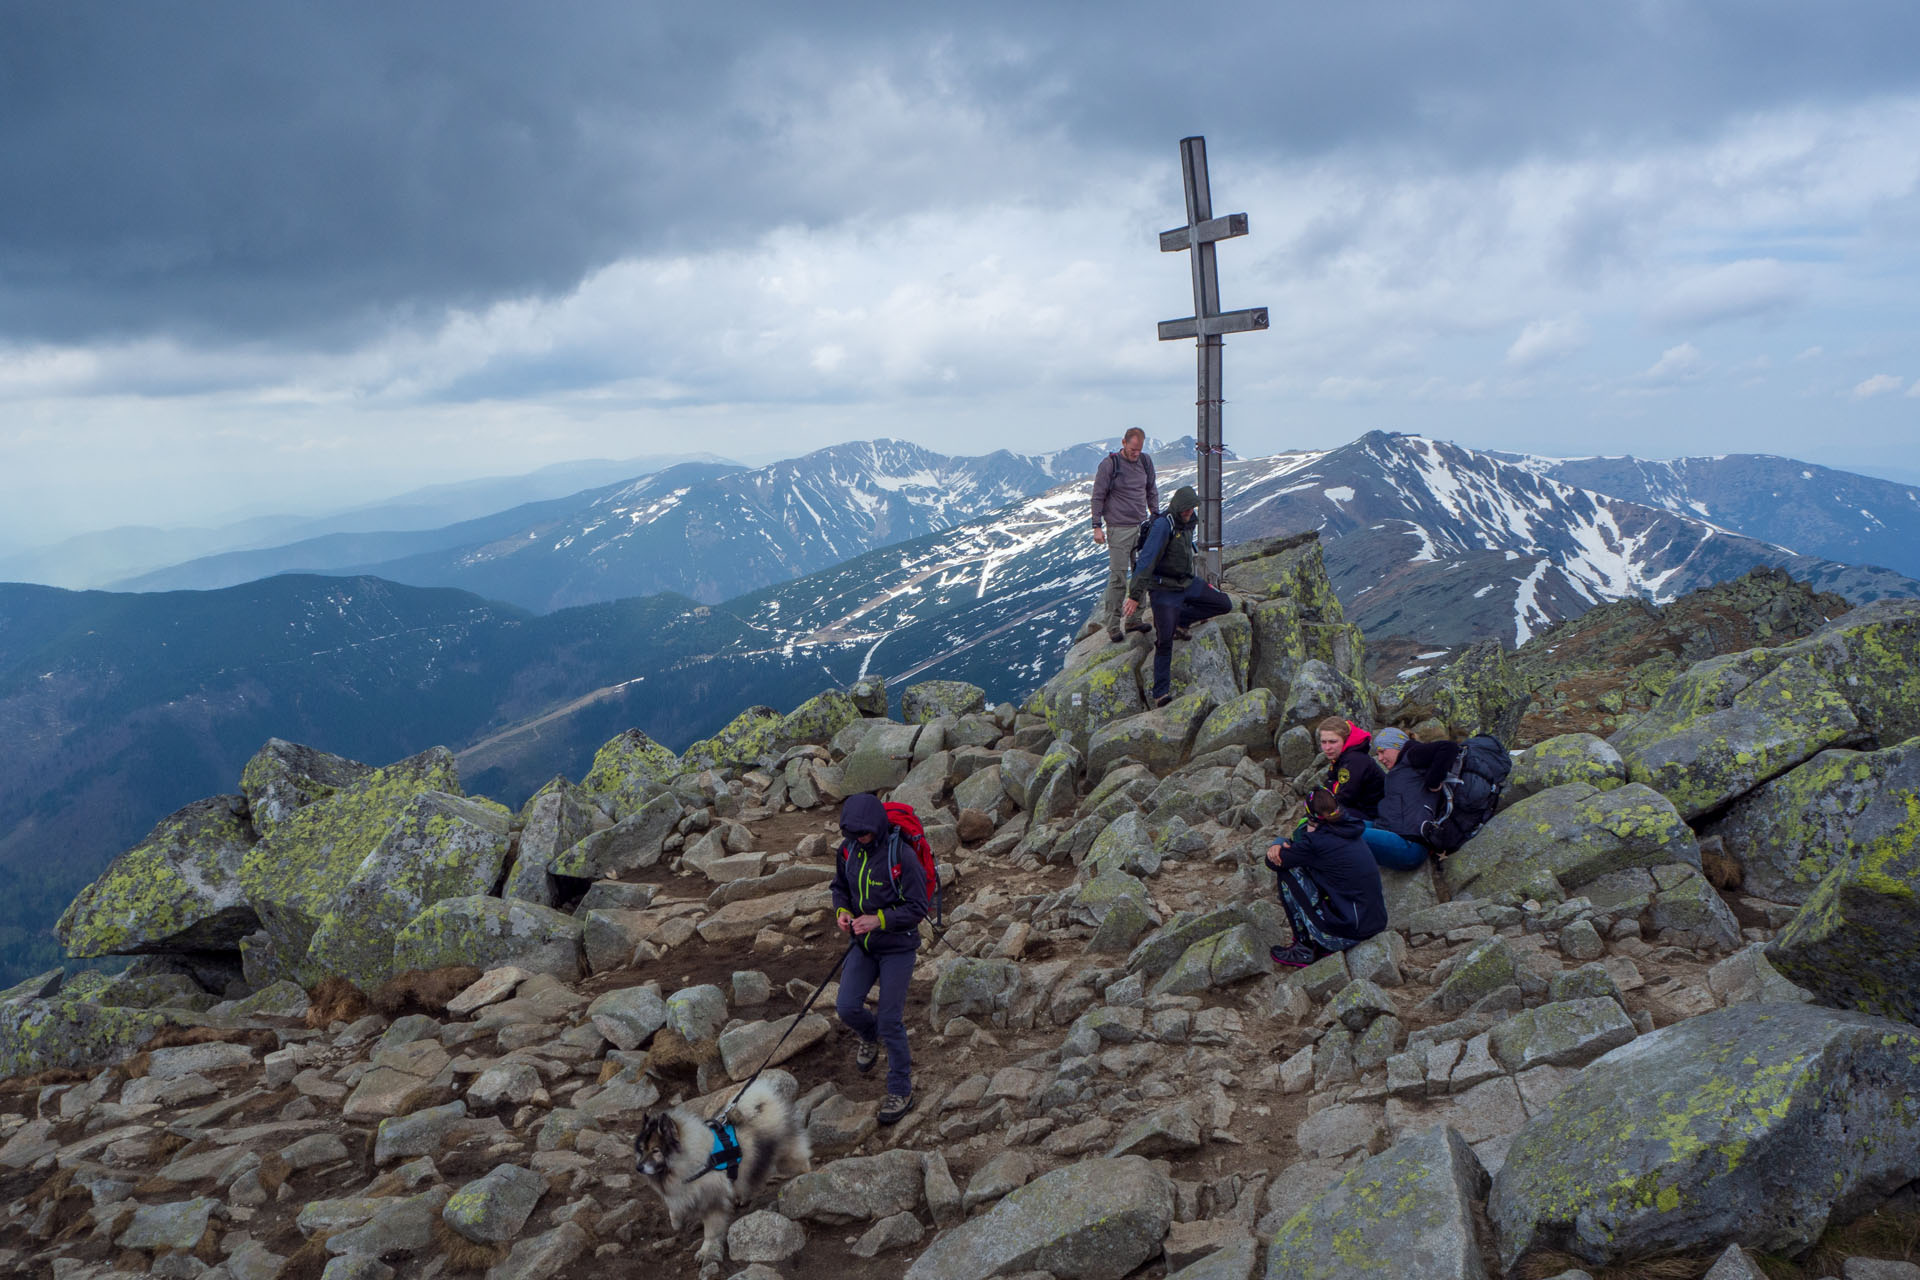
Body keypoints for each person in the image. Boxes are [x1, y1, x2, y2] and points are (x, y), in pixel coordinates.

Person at [829, 792, 929, 1125]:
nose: (860, 839)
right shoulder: (848, 851)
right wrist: (843, 911)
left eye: (865, 833)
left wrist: (879, 919)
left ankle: (901, 1089)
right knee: (846, 1007)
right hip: (864, 943)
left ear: (877, 826)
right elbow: (839, 886)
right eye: (854, 834)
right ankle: (868, 1036)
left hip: (898, 946)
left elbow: (918, 908)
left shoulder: (901, 855)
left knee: (891, 1021)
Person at [1122, 485, 1232, 707]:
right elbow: (1146, 561)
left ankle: (1182, 619)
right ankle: (1160, 693)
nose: (1189, 512)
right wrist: (1134, 595)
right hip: (1164, 589)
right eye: (1186, 509)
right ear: (1177, 506)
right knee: (1164, 640)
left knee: (1224, 603)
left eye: (1191, 508)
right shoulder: (1165, 525)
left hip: (1186, 582)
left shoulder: (1188, 522)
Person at [1265, 786, 1387, 967]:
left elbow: (1273, 862)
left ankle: (1303, 946)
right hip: (1375, 923)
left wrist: (1279, 842)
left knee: (1288, 870)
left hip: (1348, 934)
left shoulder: (1316, 843)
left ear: (1309, 815)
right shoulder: (1349, 828)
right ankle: (1317, 935)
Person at [1090, 428, 1160, 643]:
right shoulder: (1110, 465)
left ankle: (1134, 620)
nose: (1135, 453)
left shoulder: (1145, 462)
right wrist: (1096, 526)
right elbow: (1098, 496)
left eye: (1139, 449)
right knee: (1118, 578)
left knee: (1141, 575)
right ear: (1123, 443)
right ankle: (1112, 626)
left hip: (1141, 527)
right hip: (1118, 529)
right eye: (1132, 449)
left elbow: (1151, 489)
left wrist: (1155, 515)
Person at [1362, 727, 1459, 870]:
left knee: (1343, 833)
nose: (1380, 759)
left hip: (1409, 845)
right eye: (1378, 754)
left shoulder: (1412, 753)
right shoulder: (1400, 767)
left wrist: (1433, 781)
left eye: (1383, 751)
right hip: (1393, 834)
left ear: (1397, 746)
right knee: (1340, 824)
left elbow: (1449, 747)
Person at [1317, 716, 1384, 821]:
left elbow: (1345, 797)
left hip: (1373, 817)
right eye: (1323, 742)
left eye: (1333, 742)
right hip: (1360, 811)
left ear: (1345, 739)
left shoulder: (1354, 760)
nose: (1327, 748)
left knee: (1320, 817)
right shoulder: (1343, 758)